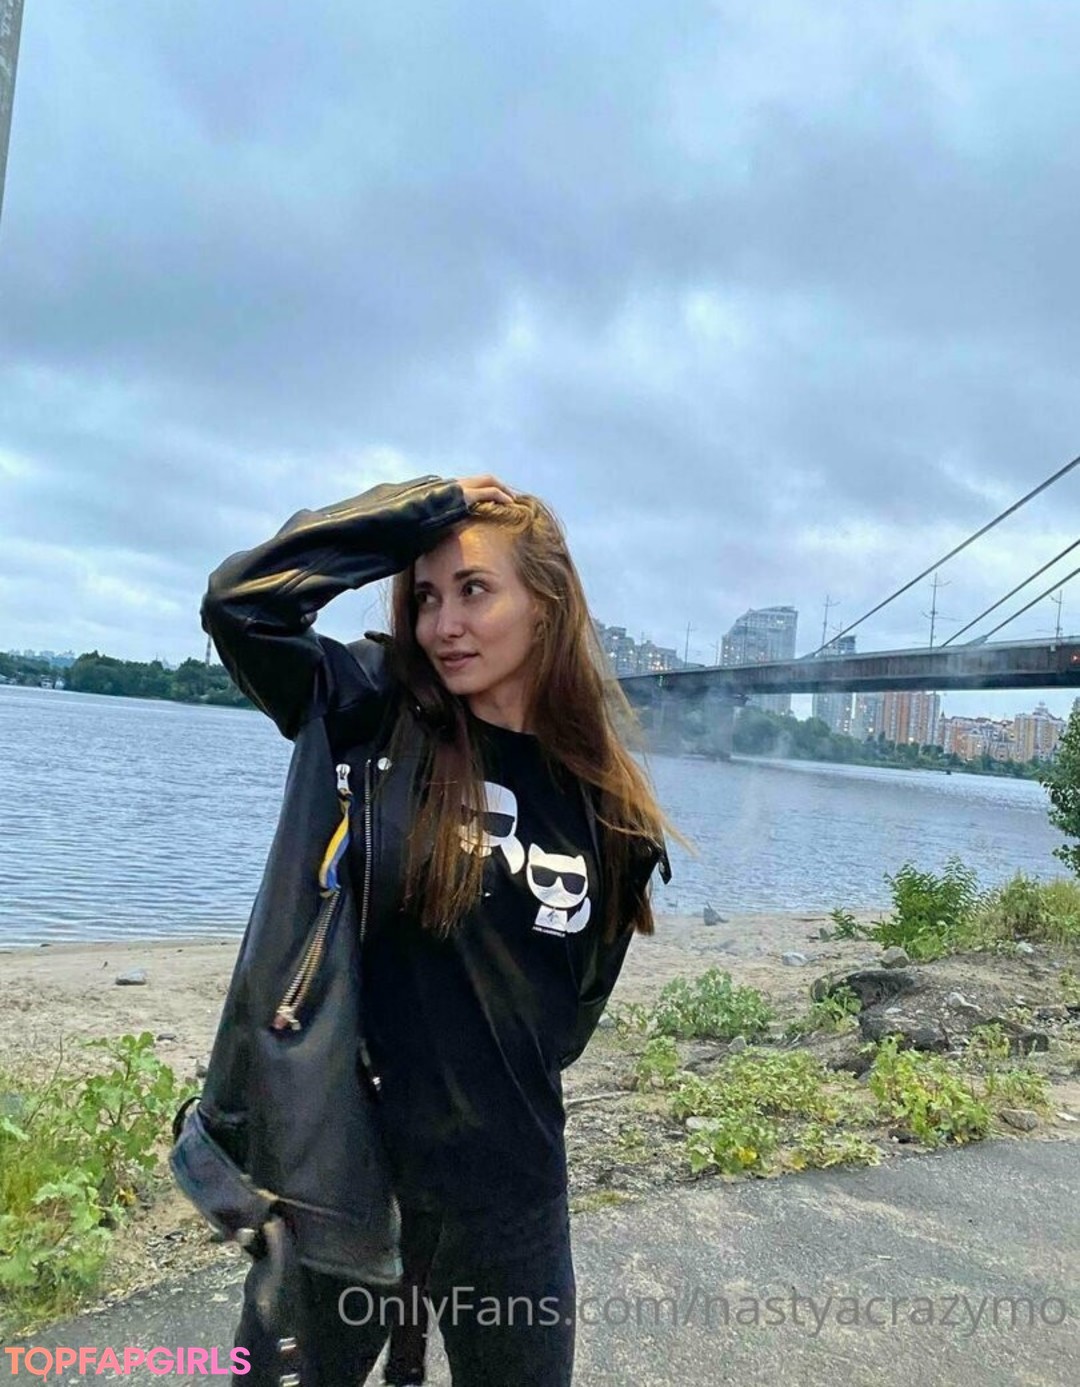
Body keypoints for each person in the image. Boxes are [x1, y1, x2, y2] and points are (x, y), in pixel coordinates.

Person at [198, 474, 673, 1387]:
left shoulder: (607, 810)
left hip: (513, 1200)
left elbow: (567, 1014)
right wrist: (416, 511)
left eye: (474, 590)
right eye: (425, 597)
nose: (443, 624)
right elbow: (240, 604)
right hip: (344, 1185)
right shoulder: (370, 712)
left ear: (545, 606)